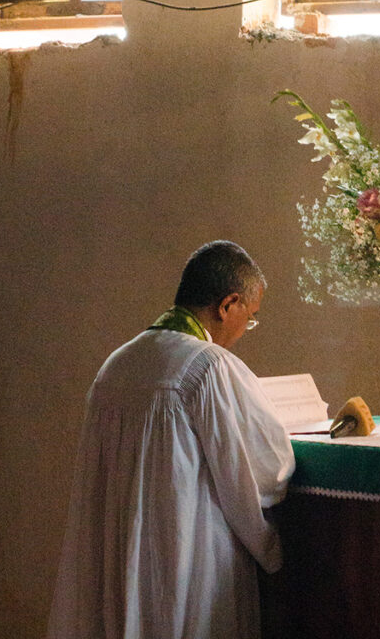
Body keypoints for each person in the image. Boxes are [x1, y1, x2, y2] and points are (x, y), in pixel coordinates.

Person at [46, 240, 296, 639]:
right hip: (185, 561)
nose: (244, 331)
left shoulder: (117, 364)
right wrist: (278, 550)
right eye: (249, 318)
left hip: (119, 557)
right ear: (228, 304)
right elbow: (264, 471)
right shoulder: (208, 366)